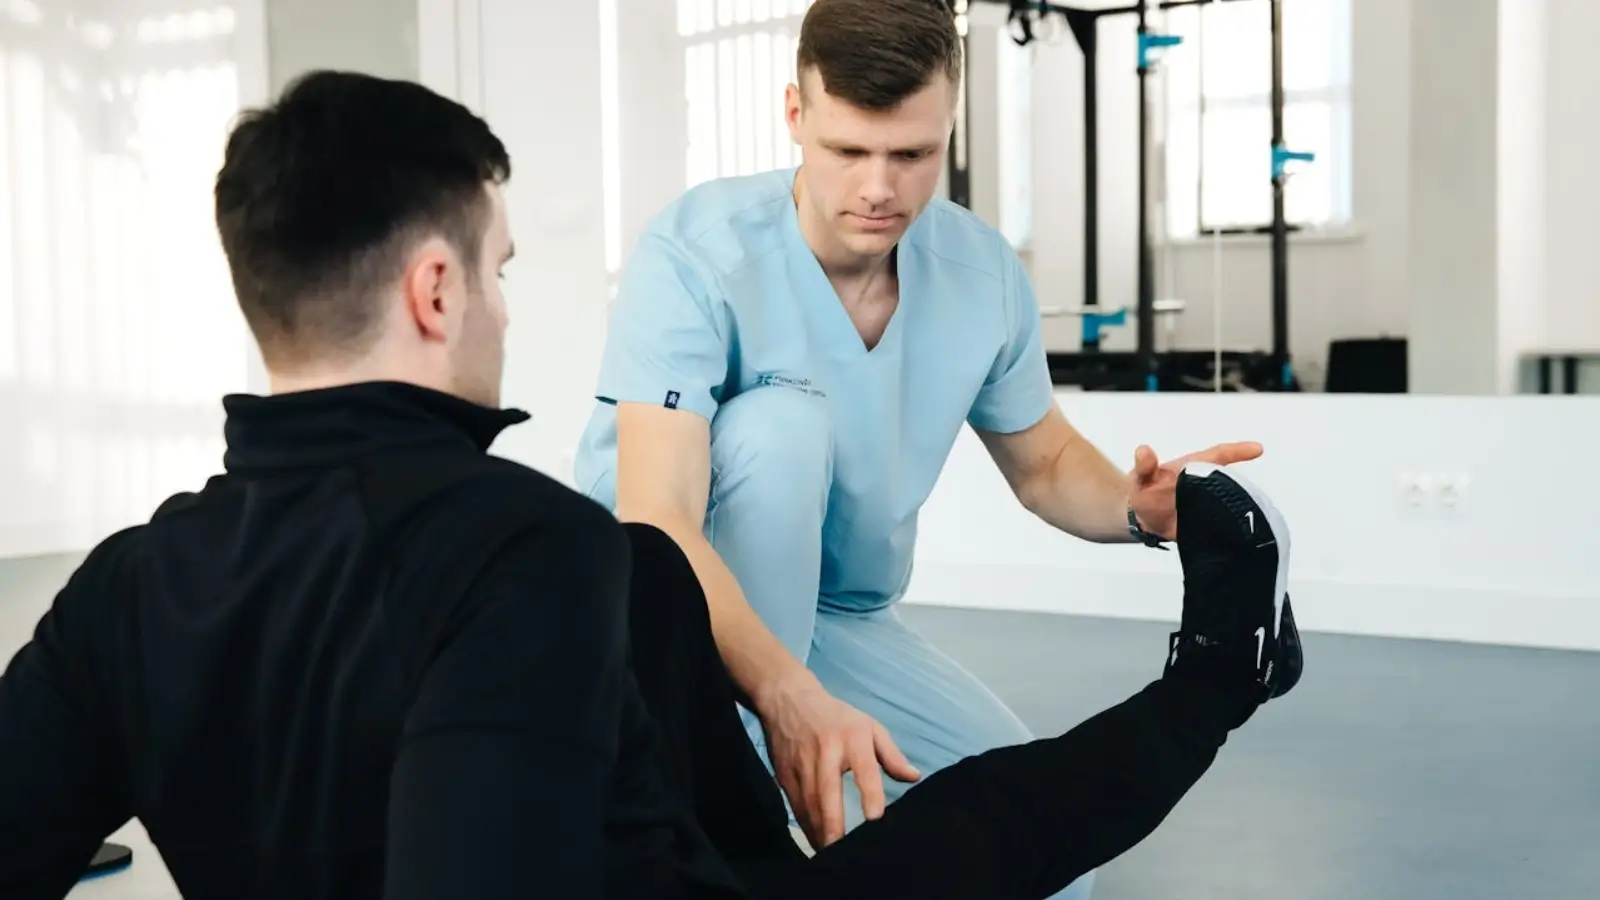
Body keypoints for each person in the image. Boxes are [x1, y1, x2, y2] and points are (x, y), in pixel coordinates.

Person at [0, 69, 1302, 900]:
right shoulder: (534, 552)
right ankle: (1221, 674)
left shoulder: (121, 591)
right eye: (502, 270)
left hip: (712, 698)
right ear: (437, 291)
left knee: (660, 588)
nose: (506, 304)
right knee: (991, 832)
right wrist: (786, 698)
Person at [572, 0, 1266, 890]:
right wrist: (789, 703)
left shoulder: (978, 273)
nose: (879, 188)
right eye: (848, 151)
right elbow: (661, 520)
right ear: (795, 115)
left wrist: (1139, 508)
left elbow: (1047, 460)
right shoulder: (697, 253)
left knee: (1050, 860)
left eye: (911, 155)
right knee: (779, 425)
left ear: (948, 126)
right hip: (667, 620)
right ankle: (748, 801)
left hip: (841, 617)